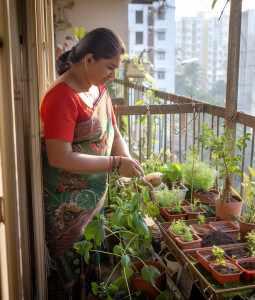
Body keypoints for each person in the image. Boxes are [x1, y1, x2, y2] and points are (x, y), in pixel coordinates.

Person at [40, 28, 151, 300]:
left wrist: (128, 163)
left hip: (91, 207)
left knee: (89, 274)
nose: (113, 75)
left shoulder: (98, 88)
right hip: (65, 210)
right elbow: (59, 156)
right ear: (89, 60)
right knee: (69, 281)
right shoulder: (61, 96)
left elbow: (114, 132)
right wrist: (115, 164)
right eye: (110, 67)